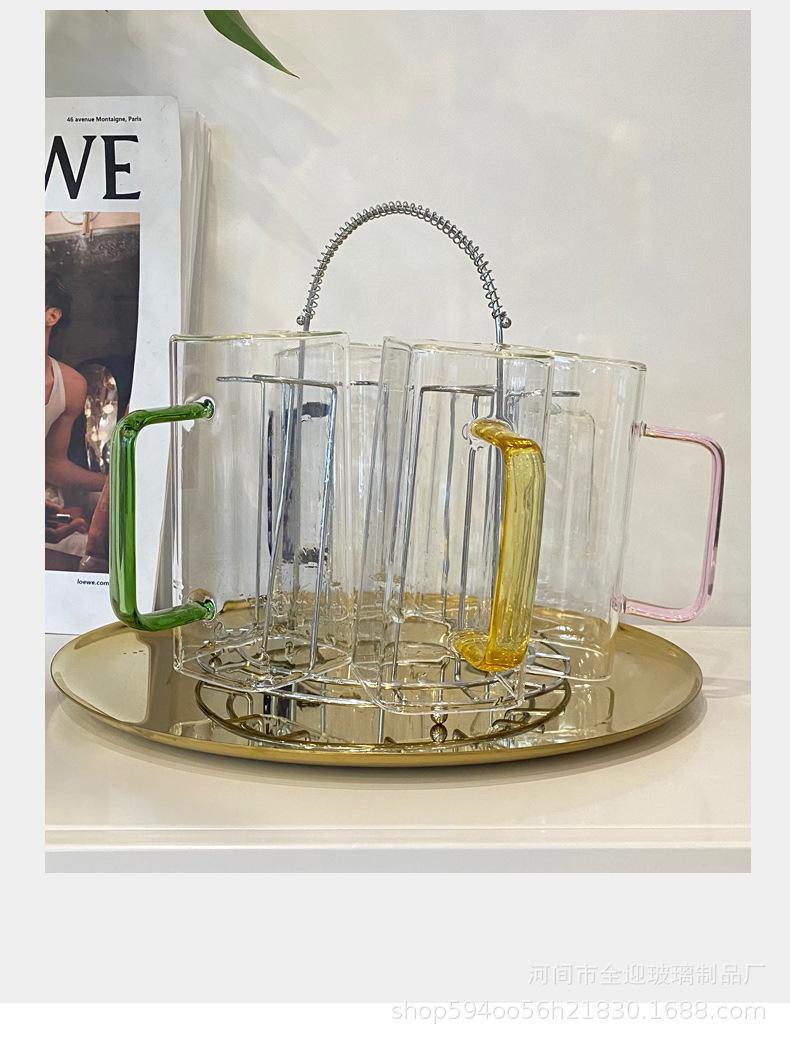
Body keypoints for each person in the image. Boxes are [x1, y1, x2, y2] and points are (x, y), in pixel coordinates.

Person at [45, 275, 105, 557]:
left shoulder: (70, 385)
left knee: (94, 551)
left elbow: (52, 463)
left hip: (46, 511)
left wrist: (112, 483)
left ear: (52, 316)